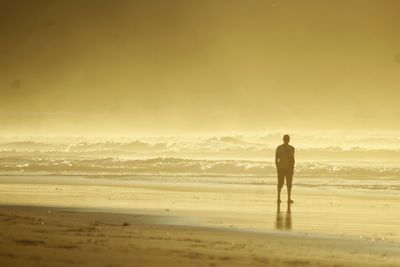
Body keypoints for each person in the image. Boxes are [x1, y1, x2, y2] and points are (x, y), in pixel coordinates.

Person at [275, 134, 295, 203]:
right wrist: (277, 167)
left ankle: (288, 198)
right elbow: (276, 159)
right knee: (280, 183)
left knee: (289, 183)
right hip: (281, 168)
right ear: (283, 139)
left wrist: (292, 167)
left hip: (289, 168)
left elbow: (293, 159)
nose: (287, 140)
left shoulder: (292, 148)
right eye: (286, 139)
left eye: (288, 139)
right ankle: (278, 197)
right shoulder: (279, 148)